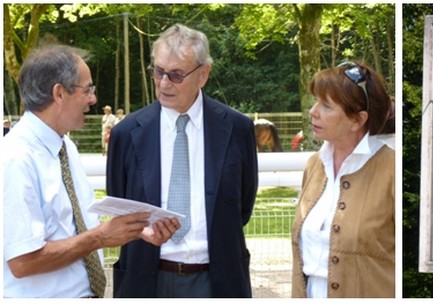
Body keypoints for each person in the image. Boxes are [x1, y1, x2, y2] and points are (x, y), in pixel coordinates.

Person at [3, 44, 179, 298]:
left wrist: (135, 229)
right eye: (87, 90)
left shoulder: (65, 146)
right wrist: (99, 238)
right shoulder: (15, 158)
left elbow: (73, 226)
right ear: (59, 93)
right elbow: (23, 262)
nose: (93, 99)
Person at [106, 23, 258, 298]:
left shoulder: (237, 129)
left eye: (176, 75)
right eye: (158, 71)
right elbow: (120, 204)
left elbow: (242, 207)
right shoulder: (126, 134)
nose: (164, 83)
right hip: (146, 281)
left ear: (203, 74)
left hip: (219, 281)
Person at [291, 60, 395, 298]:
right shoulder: (314, 165)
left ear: (358, 120)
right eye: (316, 101)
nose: (313, 111)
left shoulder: (391, 170)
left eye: (326, 106)